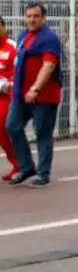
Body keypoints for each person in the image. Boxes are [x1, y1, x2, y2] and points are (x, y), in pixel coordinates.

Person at [7, 3, 62, 188]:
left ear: (43, 18)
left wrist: (35, 88)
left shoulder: (50, 38)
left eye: (36, 16)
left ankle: (43, 173)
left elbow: (49, 66)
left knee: (43, 134)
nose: (32, 20)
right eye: (29, 16)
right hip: (20, 95)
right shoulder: (23, 36)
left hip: (43, 96)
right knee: (12, 126)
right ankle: (26, 167)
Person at [0, 16, 18, 180]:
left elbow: (19, 71)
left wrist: (10, 84)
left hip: (7, 96)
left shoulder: (12, 46)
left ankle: (18, 163)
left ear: (4, 27)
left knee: (3, 126)